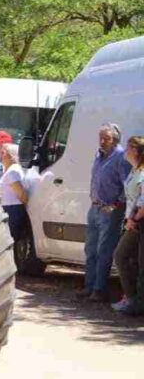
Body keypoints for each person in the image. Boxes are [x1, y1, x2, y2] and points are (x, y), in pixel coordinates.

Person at [79, 123, 131, 302]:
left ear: (115, 140)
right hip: (95, 207)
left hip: (110, 209)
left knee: (104, 250)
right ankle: (89, 286)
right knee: (90, 249)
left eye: (106, 138)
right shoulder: (99, 154)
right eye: (100, 137)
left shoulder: (121, 157)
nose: (102, 141)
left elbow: (128, 185)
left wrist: (116, 204)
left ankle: (99, 290)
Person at [112, 136, 144, 314]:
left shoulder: (142, 172)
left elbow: (142, 200)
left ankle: (133, 299)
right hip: (132, 220)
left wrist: (133, 219)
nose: (126, 150)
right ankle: (131, 298)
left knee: (121, 256)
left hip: (137, 222)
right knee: (131, 261)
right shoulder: (134, 170)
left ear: (137, 151)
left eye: (130, 147)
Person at [0, 143, 30, 241]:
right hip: (9, 209)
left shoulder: (12, 171)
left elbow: (22, 195)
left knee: (9, 240)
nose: (0, 155)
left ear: (10, 155)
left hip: (12, 210)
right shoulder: (10, 170)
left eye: (3, 153)